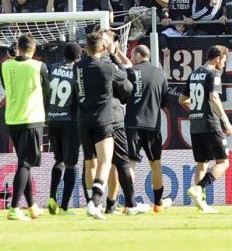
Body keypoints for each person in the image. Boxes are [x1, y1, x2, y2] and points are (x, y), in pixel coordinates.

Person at [75, 30, 132, 219]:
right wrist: (114, 54)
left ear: (85, 48)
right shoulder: (106, 68)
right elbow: (124, 75)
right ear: (102, 47)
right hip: (103, 120)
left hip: (83, 120)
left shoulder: (77, 67)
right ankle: (95, 202)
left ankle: (93, 202)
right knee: (106, 162)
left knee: (89, 162)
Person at [1, 33, 46, 221]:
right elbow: (47, 91)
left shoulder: (5, 66)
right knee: (25, 164)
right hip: (31, 119)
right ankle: (14, 209)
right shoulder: (38, 67)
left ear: (17, 47)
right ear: (33, 50)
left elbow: (6, 86)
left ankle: (32, 206)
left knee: (23, 164)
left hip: (12, 119)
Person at [182, 44, 231, 214]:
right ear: (217, 58)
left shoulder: (194, 73)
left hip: (195, 125)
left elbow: (182, 99)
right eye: (224, 61)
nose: (224, 65)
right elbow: (213, 96)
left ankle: (200, 205)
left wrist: (197, 107)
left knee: (201, 164)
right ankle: (199, 188)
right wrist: (225, 120)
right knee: (223, 162)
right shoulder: (213, 73)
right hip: (211, 123)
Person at [123, 43, 172, 212]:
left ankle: (129, 203)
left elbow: (123, 96)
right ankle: (158, 203)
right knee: (156, 163)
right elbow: (165, 102)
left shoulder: (130, 72)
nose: (130, 58)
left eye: (131, 55)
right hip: (153, 125)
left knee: (130, 164)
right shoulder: (160, 73)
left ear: (137, 56)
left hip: (132, 124)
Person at [44, 42, 82, 216]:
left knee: (58, 160)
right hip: (70, 121)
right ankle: (64, 208)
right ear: (78, 57)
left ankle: (52, 197)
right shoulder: (77, 71)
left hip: (52, 120)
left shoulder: (51, 68)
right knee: (71, 164)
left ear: (64, 55)